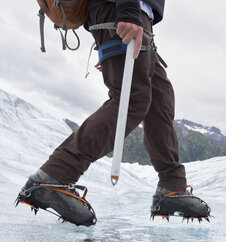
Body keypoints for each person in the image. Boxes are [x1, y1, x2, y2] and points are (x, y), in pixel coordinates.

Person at [16, 0, 210, 225]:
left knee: (159, 97)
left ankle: (171, 187)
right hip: (122, 8)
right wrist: (127, 11)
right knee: (132, 99)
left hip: (132, 13)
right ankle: (54, 177)